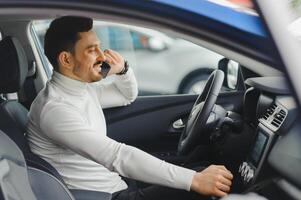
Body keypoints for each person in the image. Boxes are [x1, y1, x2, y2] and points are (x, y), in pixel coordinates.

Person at [27, 16, 233, 200]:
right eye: (91, 50)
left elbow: (126, 95)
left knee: (205, 165)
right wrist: (194, 180)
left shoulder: (81, 90)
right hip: (108, 196)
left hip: (117, 184)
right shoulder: (55, 109)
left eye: (99, 47)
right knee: (205, 185)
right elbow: (117, 155)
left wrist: (123, 70)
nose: (102, 55)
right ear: (66, 59)